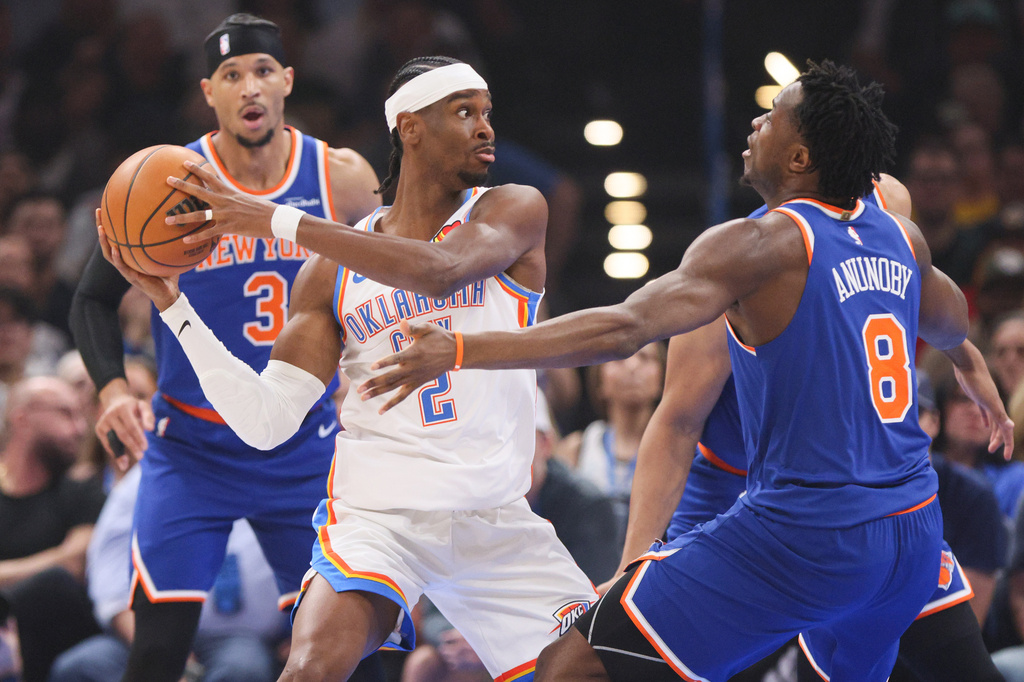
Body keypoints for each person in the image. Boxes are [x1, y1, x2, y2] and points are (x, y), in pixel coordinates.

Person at [357, 61, 1015, 681]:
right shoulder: (901, 235)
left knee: (572, 663)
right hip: (912, 534)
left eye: (774, 115)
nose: (757, 122)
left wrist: (463, 349)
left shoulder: (758, 246)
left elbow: (623, 327)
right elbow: (949, 315)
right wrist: (972, 365)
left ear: (800, 158)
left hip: (809, 530)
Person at [100, 55, 596, 682]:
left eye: (487, 113)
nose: (485, 128)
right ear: (410, 128)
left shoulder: (512, 209)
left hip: (494, 517)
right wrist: (173, 306)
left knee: (588, 670)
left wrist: (273, 219)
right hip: (378, 518)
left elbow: (438, 270)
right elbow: (265, 422)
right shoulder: (330, 272)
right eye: (464, 112)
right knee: (310, 667)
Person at [68, 13, 382, 682]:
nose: (250, 88)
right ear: (208, 91)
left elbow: (396, 276)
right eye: (232, 75)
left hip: (307, 447)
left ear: (287, 80)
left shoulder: (343, 179)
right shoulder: (164, 183)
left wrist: (371, 363)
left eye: (263, 71)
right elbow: (91, 299)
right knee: (155, 652)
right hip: (193, 452)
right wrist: (114, 388)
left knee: (348, 653)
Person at [596, 176, 1009, 681]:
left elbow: (925, 300)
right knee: (628, 659)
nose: (755, 132)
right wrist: (631, 562)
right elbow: (679, 421)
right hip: (739, 492)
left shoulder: (886, 205)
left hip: (866, 499)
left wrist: (966, 359)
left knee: (960, 665)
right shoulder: (741, 260)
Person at [0, 376, 103, 682]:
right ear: (22, 418)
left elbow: (73, 563)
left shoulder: (82, 488)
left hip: (63, 632)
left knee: (53, 584)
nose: (80, 429)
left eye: (80, 416)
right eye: (65, 413)